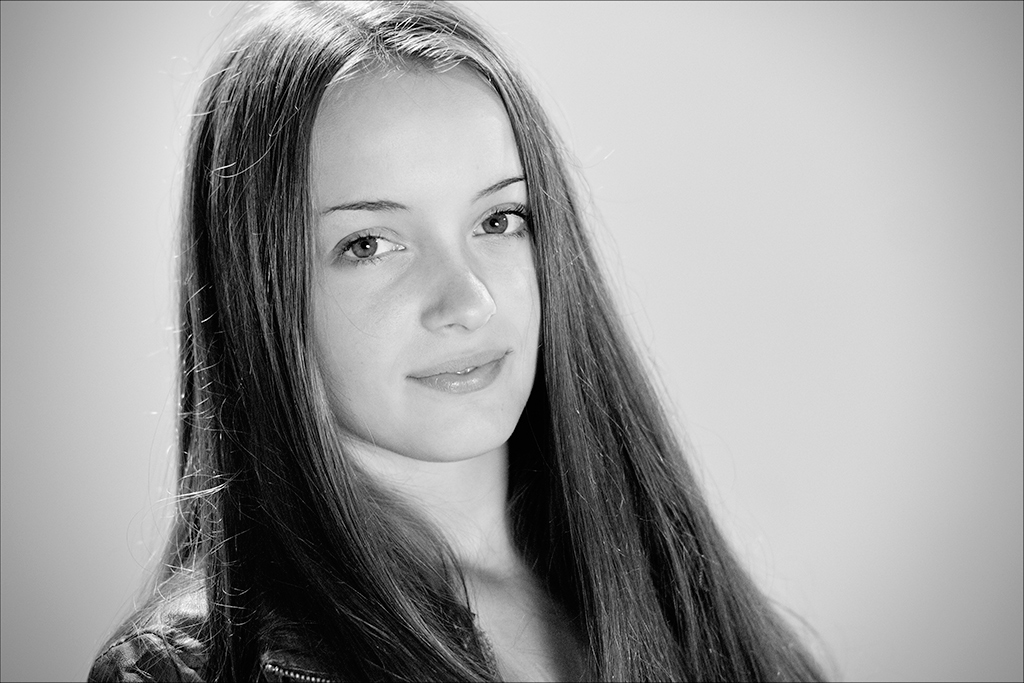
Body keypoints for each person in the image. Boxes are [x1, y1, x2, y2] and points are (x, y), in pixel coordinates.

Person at [90, 2, 825, 680]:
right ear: (258, 287)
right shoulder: (194, 669)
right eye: (370, 243)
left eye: (498, 221)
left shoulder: (688, 598)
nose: (469, 302)